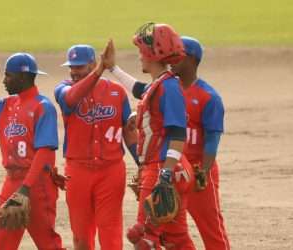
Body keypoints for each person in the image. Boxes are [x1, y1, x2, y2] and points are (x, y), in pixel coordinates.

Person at [0, 45, 65, 250]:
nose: (3, 80)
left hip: (37, 184)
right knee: (3, 244)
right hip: (11, 182)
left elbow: (45, 151)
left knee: (48, 243)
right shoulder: (6, 104)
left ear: (23, 77)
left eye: (8, 76)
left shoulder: (43, 107)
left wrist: (25, 188)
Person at [106, 22, 196, 249]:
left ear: (153, 53)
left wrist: (164, 174)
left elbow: (178, 134)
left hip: (162, 168)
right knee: (176, 239)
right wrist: (112, 68)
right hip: (169, 169)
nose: (139, 56)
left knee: (144, 239)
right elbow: (140, 89)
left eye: (141, 51)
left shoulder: (169, 87)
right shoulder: (161, 84)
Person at [53, 42, 138, 250]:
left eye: (79, 67)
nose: (73, 72)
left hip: (111, 171)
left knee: (110, 230)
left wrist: (142, 162)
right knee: (81, 234)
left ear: (91, 65)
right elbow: (72, 99)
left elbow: (129, 131)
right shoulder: (63, 89)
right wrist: (100, 70)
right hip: (77, 171)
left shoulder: (117, 93)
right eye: (71, 67)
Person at [171, 36, 230, 250]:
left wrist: (203, 172)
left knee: (211, 229)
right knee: (169, 230)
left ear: (192, 59)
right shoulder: (168, 89)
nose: (171, 59)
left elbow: (212, 140)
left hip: (197, 171)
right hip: (173, 169)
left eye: (177, 54)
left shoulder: (208, 96)